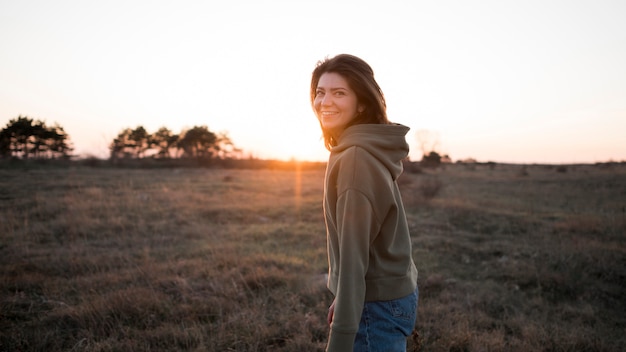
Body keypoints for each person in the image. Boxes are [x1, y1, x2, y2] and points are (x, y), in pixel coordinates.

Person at [310, 53, 419, 352]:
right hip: (384, 296)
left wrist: (342, 337)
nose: (325, 101)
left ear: (361, 103)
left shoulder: (356, 158)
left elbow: (355, 256)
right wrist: (344, 296)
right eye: (320, 92)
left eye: (339, 92)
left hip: (376, 308)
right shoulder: (358, 148)